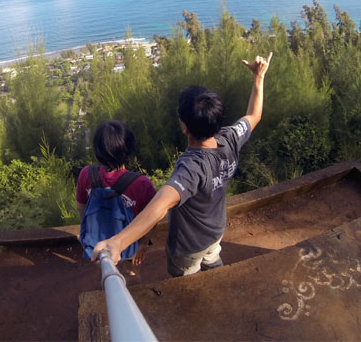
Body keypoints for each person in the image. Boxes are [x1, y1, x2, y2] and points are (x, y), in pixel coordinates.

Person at [92, 52, 272, 276]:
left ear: (184, 127)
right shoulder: (231, 137)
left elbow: (159, 205)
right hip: (215, 230)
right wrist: (258, 77)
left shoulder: (192, 167)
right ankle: (218, 274)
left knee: (188, 283)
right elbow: (254, 115)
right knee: (212, 256)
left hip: (188, 245)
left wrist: (118, 242)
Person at [76, 120, 157, 264]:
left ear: (98, 150)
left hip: (97, 246)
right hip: (128, 247)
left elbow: (82, 209)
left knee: (102, 274)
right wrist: (144, 243)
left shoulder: (86, 174)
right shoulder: (142, 183)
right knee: (131, 272)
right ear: (129, 149)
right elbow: (151, 219)